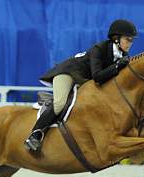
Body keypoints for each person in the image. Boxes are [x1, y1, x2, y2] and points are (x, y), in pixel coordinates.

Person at [24, 19, 137, 151]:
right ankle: (35, 134)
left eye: (132, 40)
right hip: (68, 74)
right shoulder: (99, 49)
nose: (130, 43)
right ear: (116, 39)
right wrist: (117, 66)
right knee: (60, 103)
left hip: (84, 81)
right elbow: (97, 77)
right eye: (128, 39)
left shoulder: (122, 55)